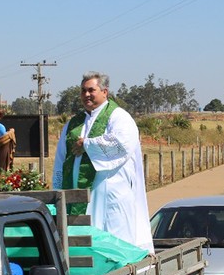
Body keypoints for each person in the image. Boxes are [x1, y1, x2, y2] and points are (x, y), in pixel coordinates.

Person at [52, 71, 154, 253]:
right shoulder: (74, 123)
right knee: (83, 243)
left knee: (113, 242)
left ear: (105, 92)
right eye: (83, 91)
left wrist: (88, 145)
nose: (86, 95)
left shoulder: (119, 117)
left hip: (110, 195)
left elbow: (123, 143)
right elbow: (61, 158)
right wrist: (58, 191)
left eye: (91, 90)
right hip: (78, 197)